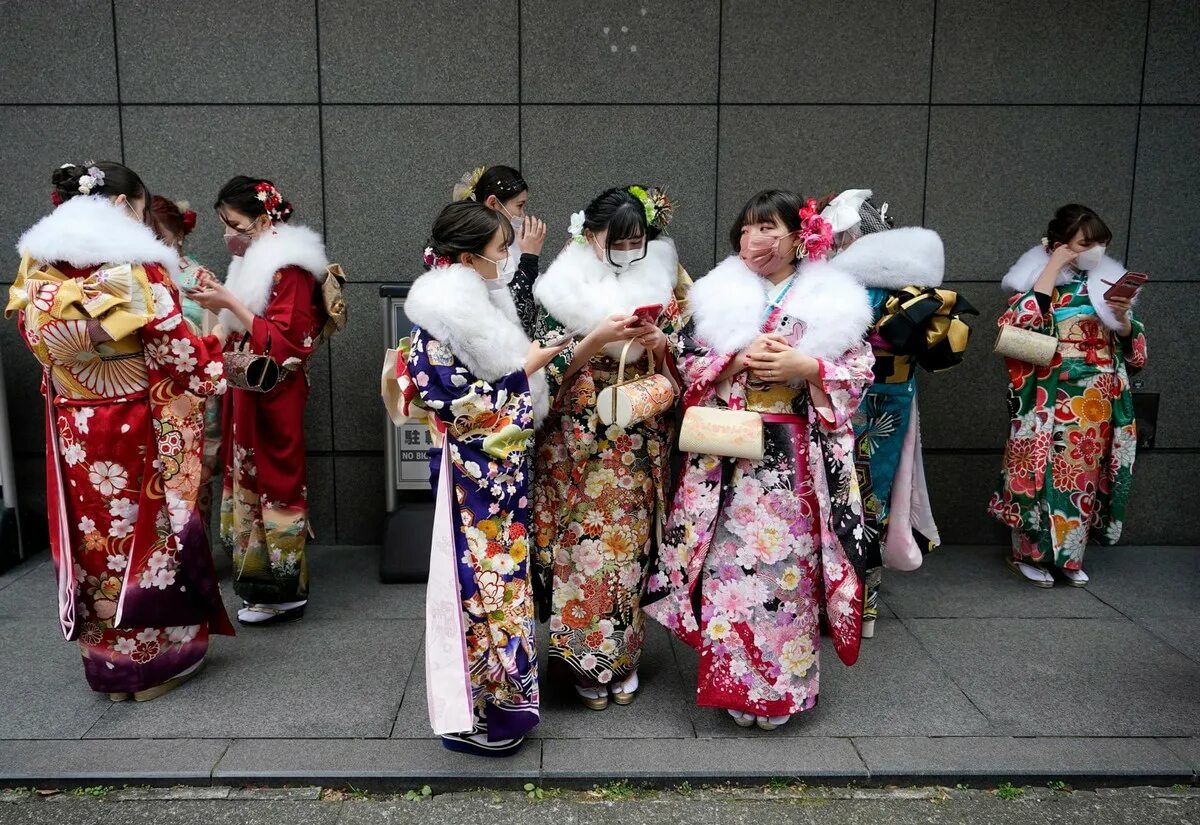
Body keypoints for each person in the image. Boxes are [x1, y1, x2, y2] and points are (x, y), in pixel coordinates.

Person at [642, 190, 873, 731]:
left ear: (800, 234)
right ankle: (732, 686)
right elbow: (687, 364)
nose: (755, 241)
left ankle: (782, 691)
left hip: (791, 457)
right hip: (727, 458)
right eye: (746, 231)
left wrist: (808, 365)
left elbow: (858, 372)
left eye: (769, 228)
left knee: (786, 575)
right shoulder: (717, 295)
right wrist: (733, 360)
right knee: (729, 573)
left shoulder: (832, 297)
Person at [6, 161, 232, 701]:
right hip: (137, 427)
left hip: (76, 426)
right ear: (127, 206)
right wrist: (217, 354)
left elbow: (41, 342)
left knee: (93, 545)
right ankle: (154, 665)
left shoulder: (39, 267)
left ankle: (109, 668)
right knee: (148, 540)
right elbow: (182, 356)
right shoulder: (137, 268)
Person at [399, 200, 560, 756]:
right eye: (499, 250)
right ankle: (484, 709)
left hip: (495, 471)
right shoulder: (441, 318)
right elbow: (458, 403)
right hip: (475, 472)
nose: (505, 259)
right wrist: (529, 368)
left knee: (499, 581)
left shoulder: (472, 301)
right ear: (469, 257)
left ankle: (503, 703)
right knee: (482, 584)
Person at [531, 185, 681, 710]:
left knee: (631, 549)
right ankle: (584, 663)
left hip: (638, 434)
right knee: (584, 549)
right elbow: (537, 366)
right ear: (590, 236)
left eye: (636, 239)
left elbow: (683, 353)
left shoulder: (662, 279)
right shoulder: (558, 288)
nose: (626, 249)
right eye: (615, 240)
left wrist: (661, 344)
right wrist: (593, 341)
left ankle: (625, 658)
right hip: (580, 441)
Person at [823, 190, 973, 638]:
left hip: (849, 402)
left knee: (838, 498)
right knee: (872, 498)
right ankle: (861, 606)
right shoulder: (907, 289)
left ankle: (835, 600)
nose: (832, 244)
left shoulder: (849, 288)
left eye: (839, 236)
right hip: (891, 399)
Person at [188, 176, 329, 625]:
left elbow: (290, 341)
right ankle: (258, 586)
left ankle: (285, 590)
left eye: (235, 225)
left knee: (276, 478)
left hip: (276, 392)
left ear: (264, 219)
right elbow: (240, 326)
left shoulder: (291, 268)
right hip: (249, 390)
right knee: (248, 474)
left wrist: (228, 299)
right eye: (225, 225)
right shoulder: (256, 259)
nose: (228, 234)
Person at [988, 204, 1147, 587]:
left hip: (1097, 398)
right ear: (1061, 243)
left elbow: (1135, 349)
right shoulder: (1040, 281)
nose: (1094, 250)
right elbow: (1017, 325)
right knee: (1039, 474)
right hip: (1050, 395)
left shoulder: (1106, 284)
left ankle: (1070, 557)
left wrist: (1123, 319)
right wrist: (1052, 268)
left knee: (1082, 478)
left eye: (1100, 243)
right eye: (1084, 243)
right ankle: (1028, 554)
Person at [150, 195, 224, 533]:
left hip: (195, 387)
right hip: (152, 388)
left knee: (197, 475)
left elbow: (216, 337)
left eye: (160, 238)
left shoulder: (199, 278)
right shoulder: (135, 276)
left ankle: (200, 560)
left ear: (179, 235)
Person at [453, 165, 547, 337]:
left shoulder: (515, 237)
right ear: (493, 203)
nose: (523, 214)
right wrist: (529, 259)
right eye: (519, 205)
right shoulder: (476, 242)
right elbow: (511, 307)